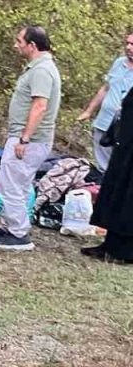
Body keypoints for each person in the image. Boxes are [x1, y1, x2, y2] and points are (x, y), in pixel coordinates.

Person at [0, 25, 62, 251]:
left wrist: (25, 138)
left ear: (32, 45)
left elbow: (40, 105)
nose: (16, 45)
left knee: (11, 184)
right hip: (26, 137)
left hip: (30, 139)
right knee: (15, 183)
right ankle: (10, 227)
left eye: (19, 41)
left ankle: (18, 234)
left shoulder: (42, 70)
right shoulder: (38, 67)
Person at [84, 85, 133, 263]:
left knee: (129, 198)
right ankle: (109, 245)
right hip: (125, 146)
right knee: (116, 191)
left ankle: (126, 252)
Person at [77, 32, 133, 172]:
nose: (128, 47)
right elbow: (106, 88)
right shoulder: (119, 63)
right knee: (102, 165)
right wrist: (89, 111)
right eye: (127, 43)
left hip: (125, 128)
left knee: (120, 167)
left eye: (132, 45)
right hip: (103, 123)